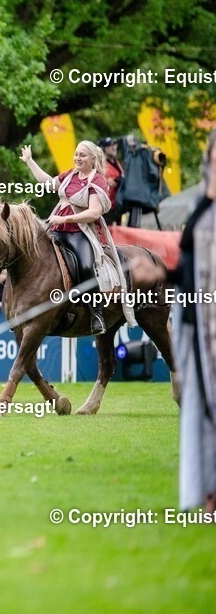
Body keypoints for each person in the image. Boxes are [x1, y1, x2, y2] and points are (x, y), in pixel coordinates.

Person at [131, 130, 216, 512]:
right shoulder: (201, 203)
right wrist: (158, 277)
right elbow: (190, 267)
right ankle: (209, 493)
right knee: (201, 408)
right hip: (194, 323)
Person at [22, 141, 121, 335]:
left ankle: (96, 314)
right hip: (56, 228)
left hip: (79, 233)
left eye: (82, 155)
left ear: (93, 158)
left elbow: (93, 213)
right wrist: (30, 161)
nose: (77, 158)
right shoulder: (70, 175)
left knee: (85, 266)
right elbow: (49, 183)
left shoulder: (98, 180)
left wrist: (65, 217)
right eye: (76, 154)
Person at [99, 137, 125, 224]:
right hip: (108, 207)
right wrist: (106, 181)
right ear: (104, 149)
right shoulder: (101, 164)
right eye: (110, 146)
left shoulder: (116, 162)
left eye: (114, 145)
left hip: (118, 203)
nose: (114, 147)